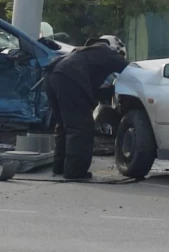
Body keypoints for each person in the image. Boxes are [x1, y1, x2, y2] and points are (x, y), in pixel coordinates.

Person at [45, 35, 128, 181]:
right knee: (81, 128)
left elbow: (91, 91)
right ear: (115, 47)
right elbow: (128, 68)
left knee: (65, 126)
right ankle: (75, 172)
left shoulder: (85, 54)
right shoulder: (106, 51)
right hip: (68, 79)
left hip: (52, 78)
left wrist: (112, 89)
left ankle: (59, 167)